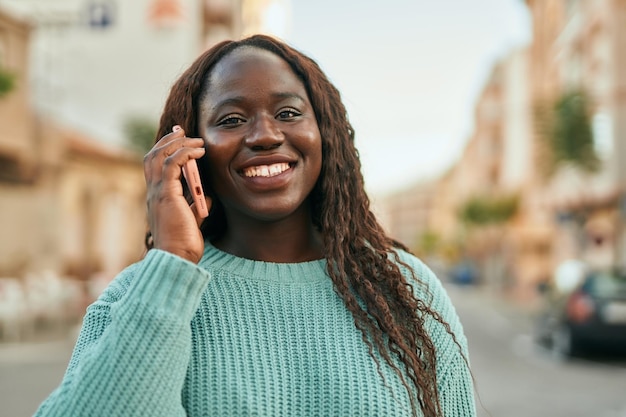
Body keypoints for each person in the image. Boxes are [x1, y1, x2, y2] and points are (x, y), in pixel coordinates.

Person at [34, 34, 476, 417]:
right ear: (188, 149)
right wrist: (171, 262)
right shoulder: (140, 295)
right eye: (231, 120)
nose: (264, 135)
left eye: (288, 113)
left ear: (326, 134)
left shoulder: (401, 286)